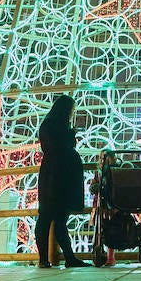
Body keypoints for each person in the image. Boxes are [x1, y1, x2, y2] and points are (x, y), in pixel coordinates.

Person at [35, 95, 87, 268]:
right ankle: (51, 258)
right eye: (71, 110)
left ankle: (59, 258)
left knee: (54, 218)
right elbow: (63, 146)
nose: (72, 114)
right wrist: (71, 134)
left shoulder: (50, 124)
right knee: (50, 218)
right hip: (57, 177)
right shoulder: (54, 126)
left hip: (54, 176)